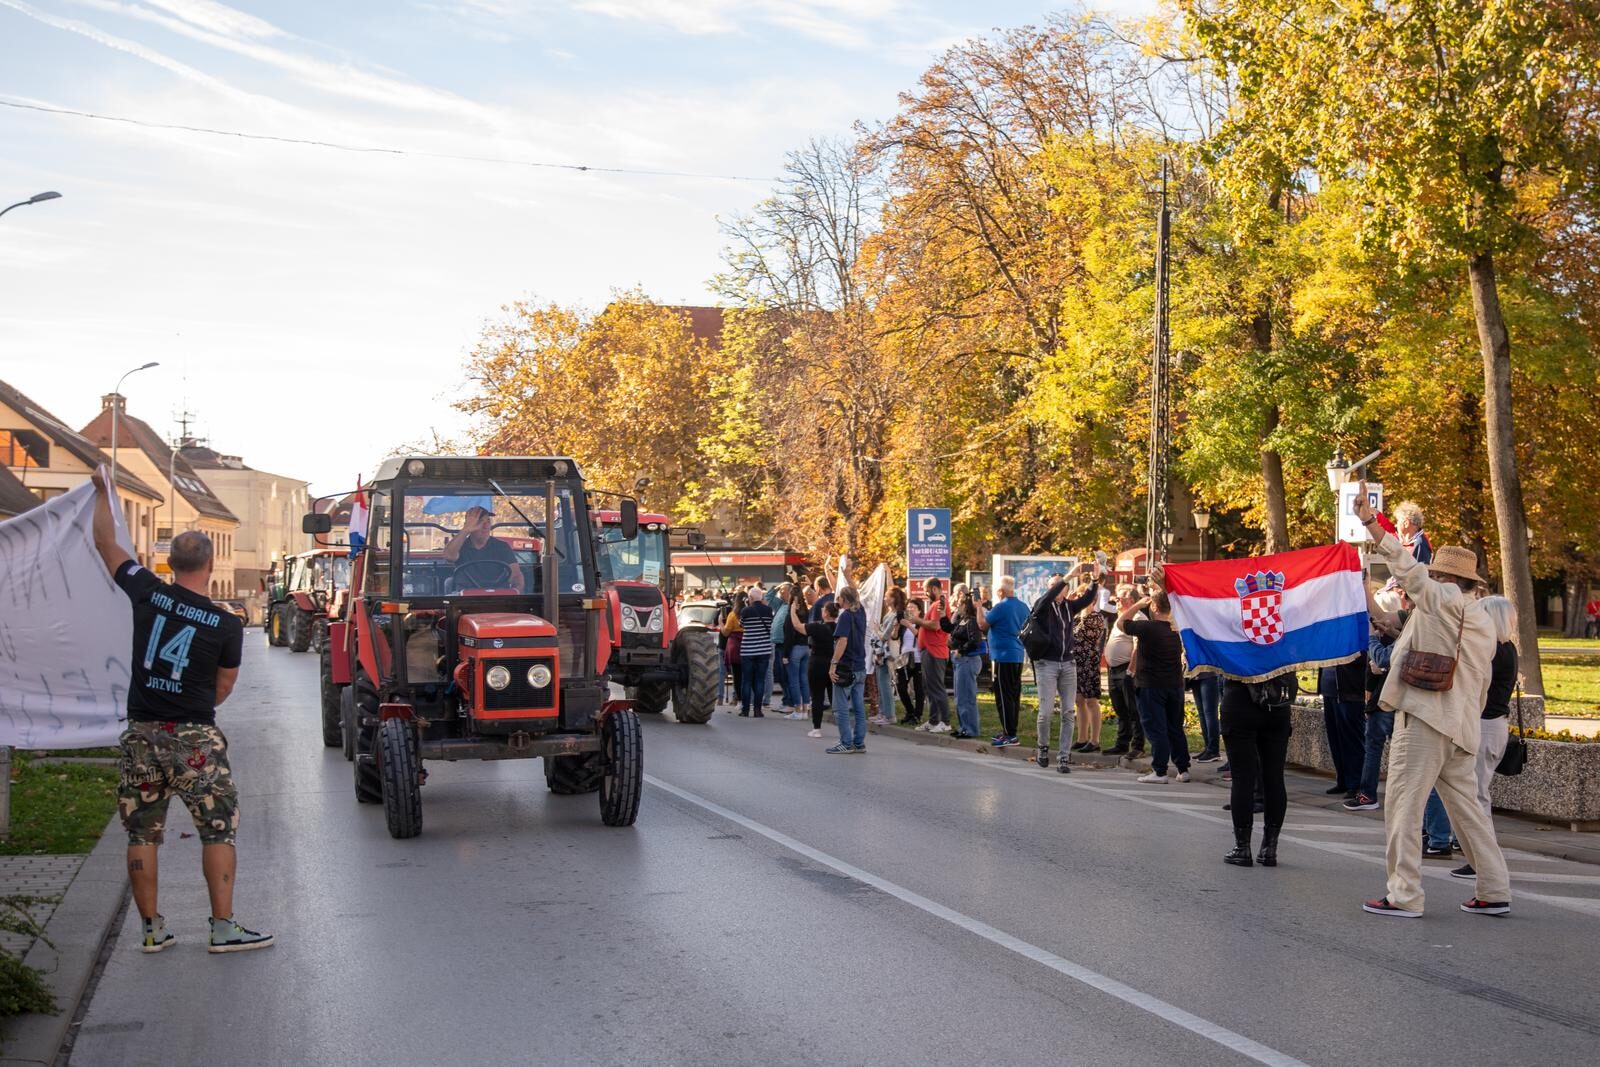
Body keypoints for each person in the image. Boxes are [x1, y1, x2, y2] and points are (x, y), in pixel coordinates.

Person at [89, 469, 271, 954]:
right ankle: (223, 927)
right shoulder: (225, 624)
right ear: (210, 564)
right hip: (194, 738)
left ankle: (151, 931)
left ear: (169, 564)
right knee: (218, 828)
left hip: (141, 732)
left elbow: (107, 543)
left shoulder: (147, 590)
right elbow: (225, 684)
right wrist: (191, 707)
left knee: (142, 829)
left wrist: (103, 492)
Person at [1353, 487, 1511, 918]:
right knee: (1469, 813)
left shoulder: (1442, 599)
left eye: (1436, 573)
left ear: (1445, 578)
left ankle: (1404, 894)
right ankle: (1495, 888)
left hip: (1424, 717)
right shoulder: (1479, 616)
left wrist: (1372, 525)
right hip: (1462, 724)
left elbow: (1408, 572)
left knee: (1403, 805)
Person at [1451, 596, 1518, 881]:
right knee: (1476, 793)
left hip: (1486, 725)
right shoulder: (1507, 649)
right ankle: (1478, 856)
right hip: (1493, 725)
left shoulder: (1496, 652)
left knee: (1477, 796)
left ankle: (1482, 859)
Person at [1220, 672, 1297, 867]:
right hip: (1277, 703)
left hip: (1239, 701)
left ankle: (1242, 847)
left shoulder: (1236, 639)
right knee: (1274, 777)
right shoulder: (1284, 639)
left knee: (1242, 778)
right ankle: (1269, 848)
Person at [1028, 564, 1100, 771]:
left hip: (1068, 663)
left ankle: (1063, 756)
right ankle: (1043, 747)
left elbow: (1087, 599)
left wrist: (1094, 581)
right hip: (1047, 664)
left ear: (1067, 590)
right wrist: (1068, 576)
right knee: (1046, 712)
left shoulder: (1069, 607)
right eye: (1053, 586)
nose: (1057, 589)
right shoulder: (1042, 606)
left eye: (1061, 586)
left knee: (1068, 711)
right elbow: (1047, 598)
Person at [1118, 582, 1191, 785]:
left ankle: (1159, 770)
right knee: (1174, 727)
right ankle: (1183, 768)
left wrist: (1137, 605)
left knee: (1156, 727)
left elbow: (1121, 623)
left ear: (1154, 607)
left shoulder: (1148, 628)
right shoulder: (1176, 628)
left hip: (1151, 685)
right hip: (1175, 685)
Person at [1345, 585, 1407, 812]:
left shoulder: (1418, 621)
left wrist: (1372, 640)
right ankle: (1372, 793)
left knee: (1387, 750)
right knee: (1390, 750)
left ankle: (1370, 793)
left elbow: (1385, 658)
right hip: (1386, 699)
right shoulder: (1414, 622)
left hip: (1391, 700)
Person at [982, 576, 1029, 747]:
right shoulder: (1023, 606)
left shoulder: (1001, 606)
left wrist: (979, 607)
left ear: (1001, 591)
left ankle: (1010, 733)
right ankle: (1009, 730)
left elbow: (982, 624)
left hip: (1003, 656)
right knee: (1013, 695)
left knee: (1003, 696)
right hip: (1017, 654)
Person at [1102, 584, 1146, 758]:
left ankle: (1138, 745)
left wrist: (1130, 670)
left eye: (1120, 598)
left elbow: (1138, 647)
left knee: (1133, 709)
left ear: (1132, 600)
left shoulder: (1137, 617)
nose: (1116, 600)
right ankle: (1122, 743)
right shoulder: (1122, 616)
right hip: (1114, 670)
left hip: (1127, 669)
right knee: (1120, 708)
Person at [441, 505, 524, 592]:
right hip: (465, 599)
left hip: (497, 598)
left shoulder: (502, 547)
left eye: (488, 521)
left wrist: (515, 591)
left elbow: (515, 575)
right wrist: (466, 530)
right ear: (470, 525)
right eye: (480, 522)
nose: (485, 526)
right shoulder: (460, 545)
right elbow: (449, 556)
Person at [828, 587, 869, 753]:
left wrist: (833, 663)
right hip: (860, 665)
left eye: (839, 598)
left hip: (846, 666)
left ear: (844, 599)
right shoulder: (861, 611)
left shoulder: (845, 615)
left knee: (841, 707)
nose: (837, 601)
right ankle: (859, 742)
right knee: (859, 706)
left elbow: (842, 640)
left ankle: (845, 742)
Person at [916, 578, 954, 733]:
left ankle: (945, 721)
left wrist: (916, 620)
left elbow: (936, 625)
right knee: (930, 687)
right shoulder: (935, 604)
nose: (925, 593)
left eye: (926, 589)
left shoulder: (940, 604)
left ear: (934, 589)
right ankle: (933, 721)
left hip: (935, 651)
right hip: (929, 650)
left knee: (937, 687)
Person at [949, 585, 986, 739]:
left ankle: (971, 729)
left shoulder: (971, 621)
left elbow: (975, 640)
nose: (959, 604)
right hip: (960, 660)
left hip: (967, 660)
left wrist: (961, 650)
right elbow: (950, 625)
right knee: (960, 696)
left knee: (967, 697)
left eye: (962, 603)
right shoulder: (962, 619)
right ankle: (963, 726)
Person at [1070, 602, 1108, 753]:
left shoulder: (1095, 617)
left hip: (1089, 663)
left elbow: (1087, 634)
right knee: (1079, 700)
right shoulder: (1075, 618)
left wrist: (1082, 612)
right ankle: (1082, 738)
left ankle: (1095, 740)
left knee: (1091, 700)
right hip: (1076, 663)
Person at [871, 587, 908, 727]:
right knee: (881, 684)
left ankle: (889, 714)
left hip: (886, 653)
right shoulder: (890, 613)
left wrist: (876, 629)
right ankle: (882, 712)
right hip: (881, 652)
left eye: (887, 596)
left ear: (893, 599)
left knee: (885, 684)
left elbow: (886, 635)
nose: (885, 598)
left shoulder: (894, 615)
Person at [737, 586, 774, 718]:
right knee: (760, 681)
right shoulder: (769, 610)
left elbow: (741, 625)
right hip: (764, 650)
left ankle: (745, 710)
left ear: (750, 598)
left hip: (747, 650)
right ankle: (758, 710)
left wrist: (747, 606)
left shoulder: (746, 610)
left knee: (746, 680)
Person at [804, 601, 839, 739]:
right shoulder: (838, 627)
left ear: (826, 613)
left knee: (817, 696)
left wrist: (793, 609)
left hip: (817, 662)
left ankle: (816, 728)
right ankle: (842, 726)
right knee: (835, 697)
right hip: (833, 663)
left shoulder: (818, 627)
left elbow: (798, 626)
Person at [782, 583, 811, 721]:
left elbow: (788, 637)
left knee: (793, 681)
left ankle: (797, 710)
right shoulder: (806, 614)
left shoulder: (790, 616)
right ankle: (806, 709)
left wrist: (785, 655)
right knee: (804, 680)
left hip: (794, 649)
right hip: (806, 648)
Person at [896, 600, 926, 726]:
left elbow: (920, 636)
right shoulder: (904, 624)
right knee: (901, 686)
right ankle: (910, 711)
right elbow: (894, 637)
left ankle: (917, 715)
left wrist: (909, 625)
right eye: (908, 607)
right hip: (905, 658)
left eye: (913, 607)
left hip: (918, 658)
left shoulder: (922, 623)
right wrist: (897, 625)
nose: (910, 609)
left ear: (919, 610)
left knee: (919, 688)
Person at [721, 591, 746, 710]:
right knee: (748, 675)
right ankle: (748, 700)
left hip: (735, 647)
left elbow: (726, 632)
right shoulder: (749, 613)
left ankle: (740, 700)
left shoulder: (733, 615)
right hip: (748, 645)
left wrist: (721, 623)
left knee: (737, 675)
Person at [1191, 673, 1222, 763]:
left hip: (1209, 674)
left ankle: (1213, 750)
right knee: (1202, 713)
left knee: (1210, 713)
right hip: (1194, 676)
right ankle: (1208, 747)